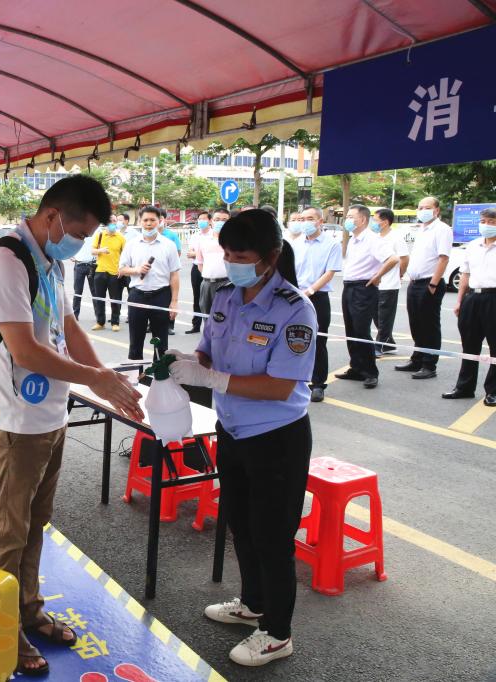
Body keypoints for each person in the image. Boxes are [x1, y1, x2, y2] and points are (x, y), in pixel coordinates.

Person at [0, 175, 142, 677]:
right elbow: (24, 349)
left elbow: (67, 327)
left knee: (35, 522)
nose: (81, 244)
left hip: (51, 411)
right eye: (80, 233)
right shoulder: (8, 259)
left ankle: (27, 609)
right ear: (52, 217)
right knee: (8, 531)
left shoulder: (51, 262)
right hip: (15, 420)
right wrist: (95, 379)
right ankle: (1, 627)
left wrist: (104, 379)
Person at [168, 208, 316, 668]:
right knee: (242, 525)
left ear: (271, 257)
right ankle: (253, 604)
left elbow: (280, 386)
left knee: (273, 536)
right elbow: (208, 352)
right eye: (228, 254)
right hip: (232, 430)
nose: (232, 262)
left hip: (276, 439)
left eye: (242, 256)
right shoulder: (225, 296)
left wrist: (214, 380)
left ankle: (278, 633)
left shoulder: (295, 309)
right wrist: (186, 362)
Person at [335, 204, 399, 389]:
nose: (347, 220)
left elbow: (393, 259)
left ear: (362, 219)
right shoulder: (354, 239)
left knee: (362, 331)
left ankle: (370, 372)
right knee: (351, 330)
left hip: (363, 288)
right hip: (349, 286)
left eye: (350, 217)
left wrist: (378, 276)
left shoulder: (372, 239)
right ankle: (356, 367)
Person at [444, 208, 496, 405]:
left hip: (494, 298)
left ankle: (493, 391)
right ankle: (464, 387)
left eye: (491, 222)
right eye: (483, 221)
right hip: (472, 298)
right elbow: (465, 274)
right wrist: (459, 300)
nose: (486, 225)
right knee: (469, 345)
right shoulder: (473, 246)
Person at [398, 197, 453, 379]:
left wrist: (433, 284)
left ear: (437, 210)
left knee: (429, 326)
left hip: (429, 283)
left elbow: (443, 258)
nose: (422, 211)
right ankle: (417, 359)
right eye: (420, 207)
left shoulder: (442, 229)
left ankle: (429, 365)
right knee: (416, 324)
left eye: (427, 207)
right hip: (415, 282)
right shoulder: (421, 229)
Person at [294, 207, 343, 403]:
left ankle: (318, 384)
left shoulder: (332, 245)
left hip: (317, 297)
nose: (305, 222)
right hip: (295, 297)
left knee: (318, 340)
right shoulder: (296, 243)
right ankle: (294, 380)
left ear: (320, 221)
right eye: (302, 218)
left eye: (310, 218)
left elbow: (329, 273)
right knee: (294, 339)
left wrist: (310, 291)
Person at [119, 205, 180, 359]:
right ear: (140, 221)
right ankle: (136, 372)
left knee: (161, 342)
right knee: (136, 340)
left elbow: (174, 275)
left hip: (161, 296)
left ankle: (159, 373)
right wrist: (137, 270)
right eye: (145, 220)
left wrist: (174, 302)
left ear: (159, 221)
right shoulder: (131, 244)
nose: (148, 223)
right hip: (137, 296)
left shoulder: (169, 245)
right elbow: (122, 270)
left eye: (152, 220)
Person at [373, 209, 409, 356]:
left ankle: (380, 344)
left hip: (389, 283)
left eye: (375, 220)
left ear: (385, 222)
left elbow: (404, 258)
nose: (373, 223)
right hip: (375, 283)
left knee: (384, 316)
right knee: (376, 315)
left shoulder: (396, 238)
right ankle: (388, 343)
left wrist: (400, 273)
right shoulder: (375, 237)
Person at [90, 221, 126, 330]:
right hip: (100, 271)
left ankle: (115, 323)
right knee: (99, 299)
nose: (112, 223)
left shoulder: (121, 237)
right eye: (110, 221)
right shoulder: (100, 235)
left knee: (115, 299)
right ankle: (100, 322)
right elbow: (92, 251)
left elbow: (126, 255)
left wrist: (122, 268)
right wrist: (101, 250)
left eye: (114, 221)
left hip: (114, 272)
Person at [196, 208, 229, 323]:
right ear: (211, 221)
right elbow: (200, 264)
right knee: (207, 319)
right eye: (217, 219)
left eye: (224, 220)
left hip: (227, 285)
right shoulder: (203, 241)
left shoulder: (234, 241)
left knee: (225, 320)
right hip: (207, 285)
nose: (220, 222)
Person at [156, 207, 182, 335]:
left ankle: (169, 325)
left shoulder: (171, 235)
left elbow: (178, 252)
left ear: (164, 219)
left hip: (168, 272)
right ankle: (152, 324)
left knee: (170, 298)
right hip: (155, 273)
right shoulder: (149, 235)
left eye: (160, 218)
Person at [185, 211, 211, 334]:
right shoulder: (195, 236)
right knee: (197, 297)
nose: (201, 221)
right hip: (196, 268)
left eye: (204, 219)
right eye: (199, 219)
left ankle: (210, 327)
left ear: (210, 221)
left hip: (210, 268)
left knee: (210, 298)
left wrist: (197, 253)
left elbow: (211, 254)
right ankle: (196, 325)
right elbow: (190, 253)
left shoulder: (214, 235)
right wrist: (199, 254)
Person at [69, 229, 95, 320]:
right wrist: (70, 255)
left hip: (92, 265)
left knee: (94, 291)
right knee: (77, 291)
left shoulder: (96, 233)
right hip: (79, 264)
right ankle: (75, 315)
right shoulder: (77, 232)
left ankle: (99, 317)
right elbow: (69, 245)